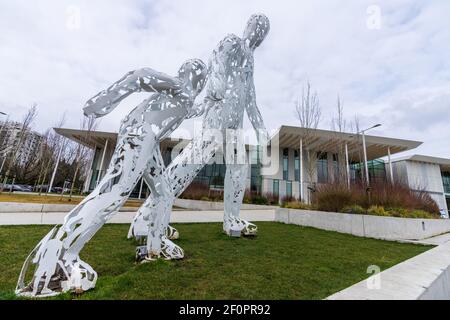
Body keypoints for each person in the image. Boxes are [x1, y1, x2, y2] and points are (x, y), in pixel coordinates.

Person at [16, 59, 208, 297]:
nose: (203, 80)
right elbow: (141, 75)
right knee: (114, 192)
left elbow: (194, 109)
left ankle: (155, 245)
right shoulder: (180, 85)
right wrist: (104, 101)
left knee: (164, 192)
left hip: (151, 143)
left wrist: (211, 103)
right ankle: (58, 256)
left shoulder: (186, 97)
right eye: (202, 75)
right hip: (139, 135)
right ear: (194, 75)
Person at [129, 14, 270, 246]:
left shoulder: (251, 61)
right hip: (217, 115)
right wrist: (217, 88)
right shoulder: (233, 42)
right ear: (248, 26)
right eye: (258, 27)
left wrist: (261, 129)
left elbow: (251, 99)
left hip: (235, 125)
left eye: (264, 31)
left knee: (239, 167)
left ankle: (232, 219)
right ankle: (147, 217)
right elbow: (217, 59)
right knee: (190, 163)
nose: (259, 33)